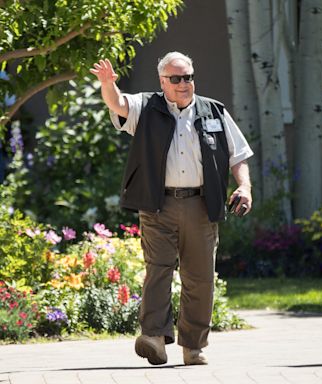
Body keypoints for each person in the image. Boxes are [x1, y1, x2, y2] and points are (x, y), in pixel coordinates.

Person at [90, 52, 254, 366]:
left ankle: (193, 346)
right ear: (162, 81)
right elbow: (117, 105)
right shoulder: (146, 106)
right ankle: (153, 338)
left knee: (200, 278)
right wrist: (107, 85)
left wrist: (244, 187)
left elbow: (239, 155)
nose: (183, 84)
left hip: (201, 205)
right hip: (157, 204)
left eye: (188, 77)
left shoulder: (214, 111)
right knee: (158, 270)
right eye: (176, 78)